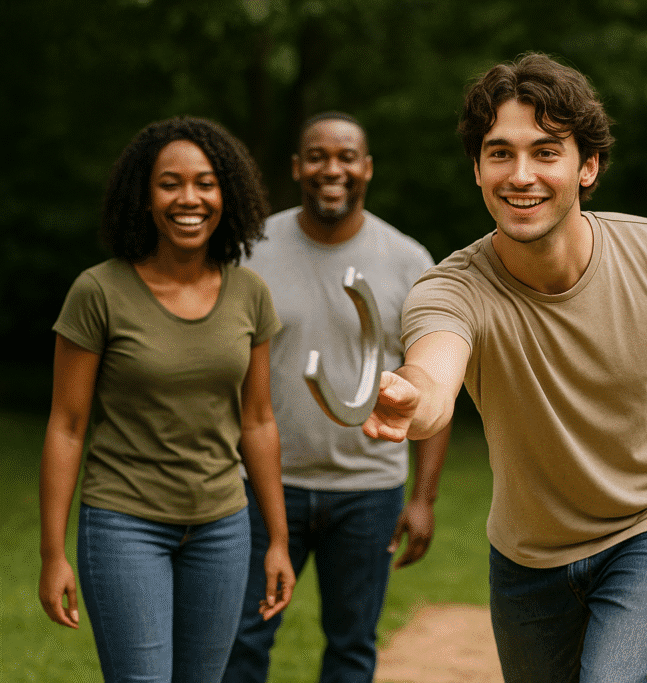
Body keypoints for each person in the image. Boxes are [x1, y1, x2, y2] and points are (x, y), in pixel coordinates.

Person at [362, 52, 647, 682]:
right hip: (528, 552)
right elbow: (433, 378)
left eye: (546, 151)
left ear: (587, 167)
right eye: (499, 153)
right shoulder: (450, 289)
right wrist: (409, 400)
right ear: (477, 169)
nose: (520, 174)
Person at [38, 115, 296, 683]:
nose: (190, 198)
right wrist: (52, 553)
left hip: (222, 528)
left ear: (226, 194)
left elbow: (257, 421)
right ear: (144, 196)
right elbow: (67, 426)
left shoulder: (249, 294)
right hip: (124, 523)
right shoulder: (99, 291)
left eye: (205, 183)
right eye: (170, 182)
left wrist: (277, 538)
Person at [222, 111, 452, 683]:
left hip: (368, 492)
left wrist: (422, 498)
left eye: (346, 156)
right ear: (298, 167)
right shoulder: (251, 250)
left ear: (367, 168)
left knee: (351, 648)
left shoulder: (407, 260)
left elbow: (432, 383)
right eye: (318, 156)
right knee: (242, 640)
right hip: (264, 486)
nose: (333, 168)